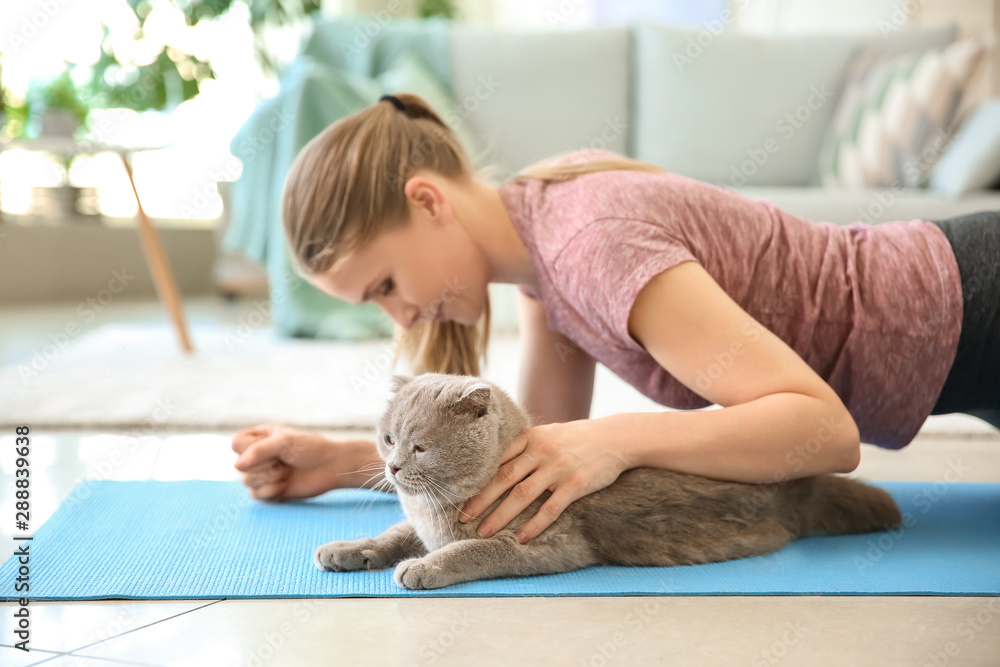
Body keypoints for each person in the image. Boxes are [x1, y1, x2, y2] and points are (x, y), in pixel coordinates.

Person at [233, 92, 999, 546]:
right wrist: (342, 462)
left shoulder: (588, 242)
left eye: (385, 284)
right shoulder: (542, 256)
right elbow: (523, 463)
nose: (397, 314)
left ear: (428, 201)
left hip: (979, 300)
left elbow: (821, 431)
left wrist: (613, 439)